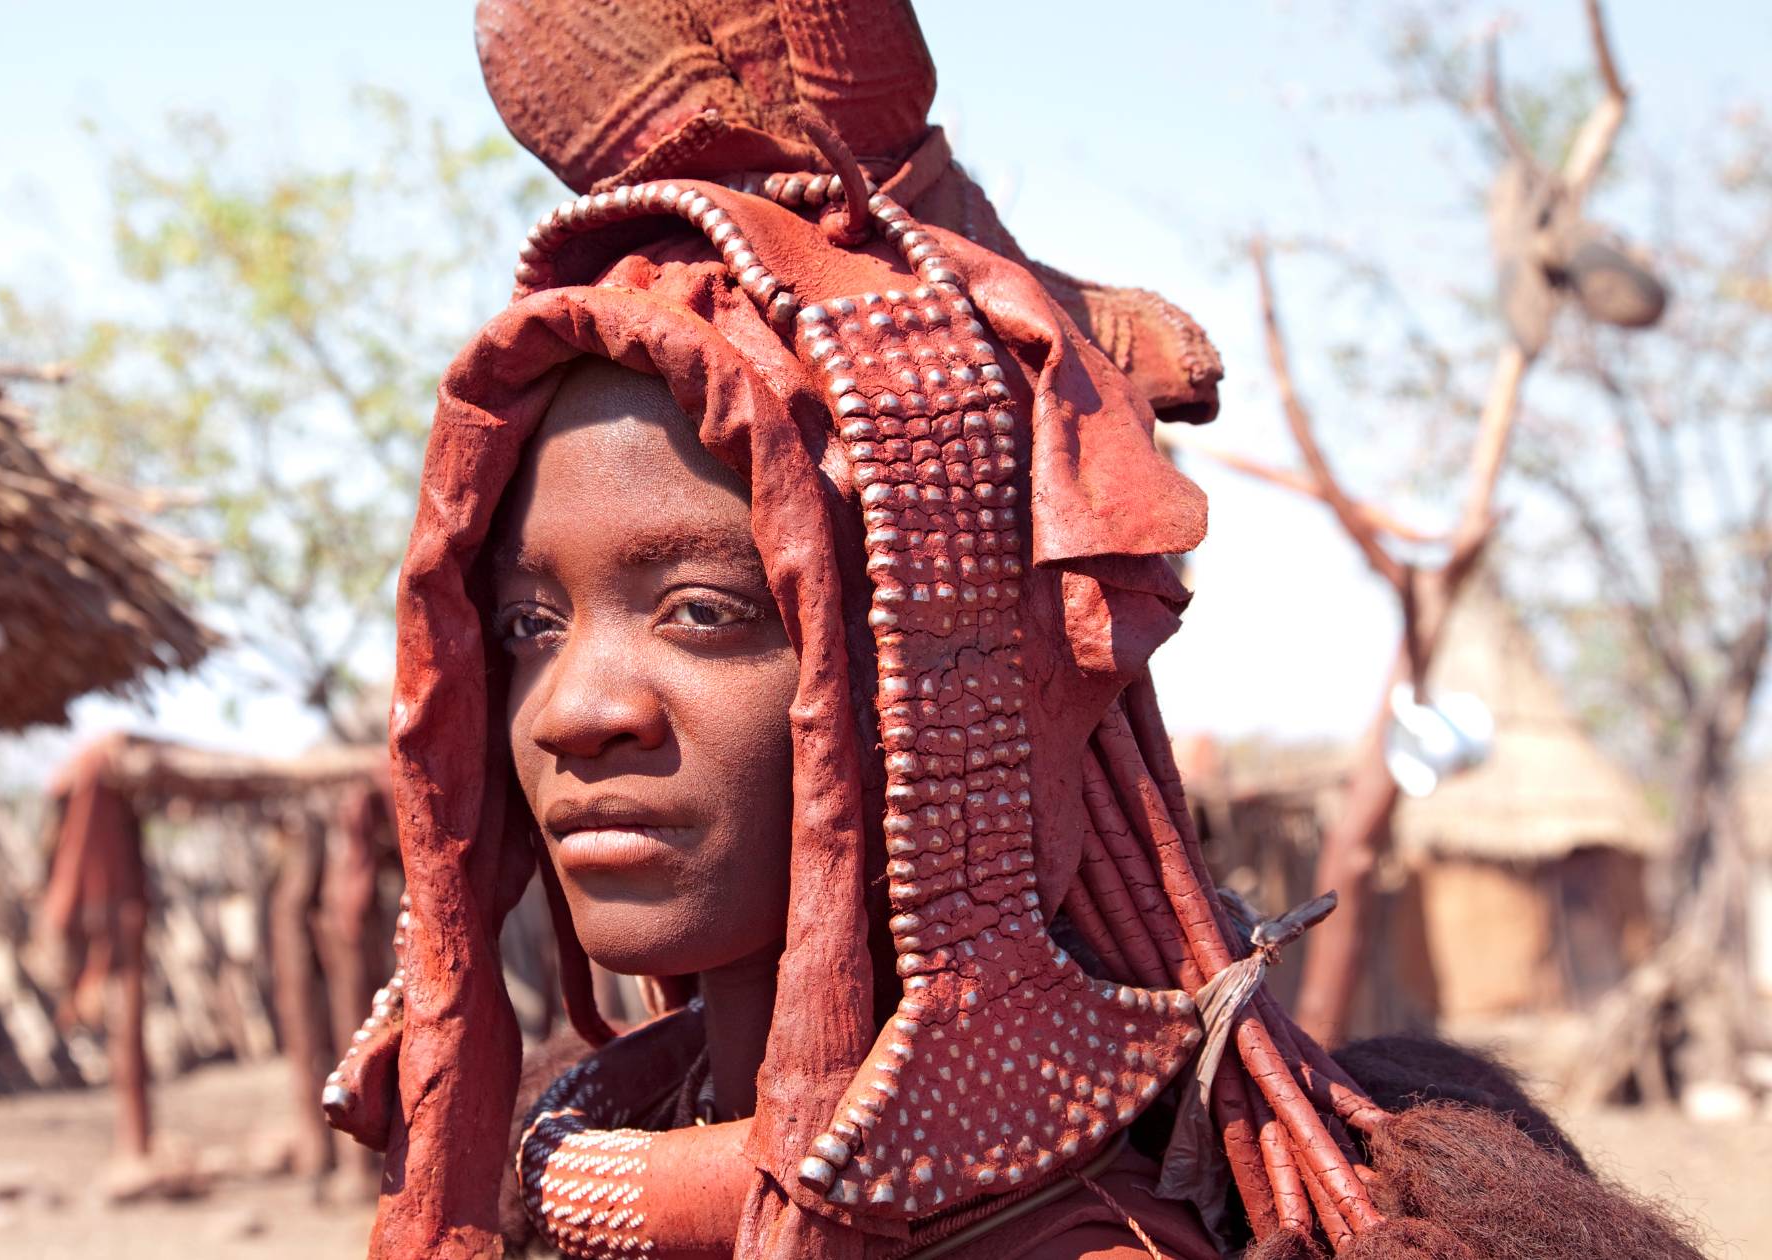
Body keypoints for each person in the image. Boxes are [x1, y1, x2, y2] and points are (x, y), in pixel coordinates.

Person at [322, 4, 1706, 1257]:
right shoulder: (562, 1174)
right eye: (524, 623)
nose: (576, 707)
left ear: (939, 676)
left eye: (705, 612)